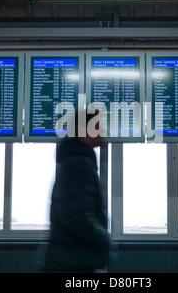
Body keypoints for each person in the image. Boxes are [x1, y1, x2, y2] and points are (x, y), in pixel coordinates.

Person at [39, 110, 113, 273]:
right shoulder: (77, 165)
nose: (103, 130)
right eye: (98, 125)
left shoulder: (78, 161)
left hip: (72, 260)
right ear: (84, 130)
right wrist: (105, 240)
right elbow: (76, 217)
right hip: (71, 264)